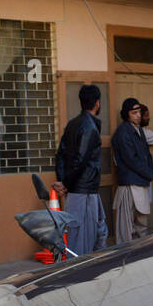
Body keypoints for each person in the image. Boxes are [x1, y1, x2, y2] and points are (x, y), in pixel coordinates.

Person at [53, 83, 108, 254]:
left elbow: (61, 154)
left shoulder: (72, 124)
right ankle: (81, 276)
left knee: (96, 233)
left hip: (81, 190)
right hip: (84, 191)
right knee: (83, 241)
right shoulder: (90, 128)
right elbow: (80, 160)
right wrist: (66, 184)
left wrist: (63, 181)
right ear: (97, 103)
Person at [112, 97, 153, 242]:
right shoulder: (123, 132)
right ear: (126, 114)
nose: (138, 115)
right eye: (134, 112)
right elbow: (131, 159)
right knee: (127, 226)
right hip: (130, 183)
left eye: (139, 112)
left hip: (141, 181)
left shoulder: (139, 130)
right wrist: (149, 173)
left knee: (142, 224)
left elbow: (146, 155)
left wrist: (149, 173)